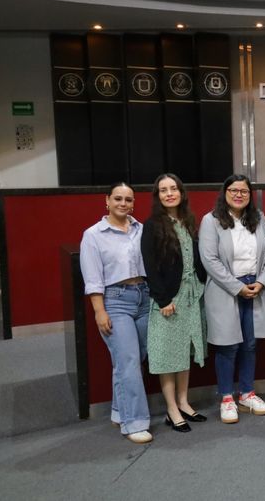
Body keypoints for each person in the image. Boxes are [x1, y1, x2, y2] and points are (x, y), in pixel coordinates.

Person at [199, 175, 265, 424]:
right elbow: (210, 260)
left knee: (250, 344)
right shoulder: (211, 221)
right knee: (227, 345)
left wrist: (262, 281)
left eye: (244, 191)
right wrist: (237, 287)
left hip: (255, 287)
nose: (239, 195)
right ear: (225, 193)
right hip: (226, 289)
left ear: (250, 195)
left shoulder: (259, 218)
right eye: (233, 190)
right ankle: (226, 397)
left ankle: (246, 393)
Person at [80, 183, 152, 444]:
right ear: (107, 201)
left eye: (128, 200)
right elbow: (92, 278)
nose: (123, 203)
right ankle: (135, 422)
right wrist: (99, 311)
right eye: (118, 198)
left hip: (144, 297)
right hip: (115, 300)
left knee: (132, 359)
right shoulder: (93, 235)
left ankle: (119, 411)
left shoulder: (141, 229)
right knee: (129, 361)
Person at [142, 173, 207, 433]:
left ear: (181, 192)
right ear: (157, 196)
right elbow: (150, 265)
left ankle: (183, 402)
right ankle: (171, 409)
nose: (169, 194)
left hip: (191, 295)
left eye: (173, 189)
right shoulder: (152, 225)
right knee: (167, 354)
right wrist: (163, 299)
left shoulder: (188, 220)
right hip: (169, 299)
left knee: (184, 351)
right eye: (163, 190)